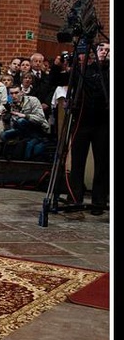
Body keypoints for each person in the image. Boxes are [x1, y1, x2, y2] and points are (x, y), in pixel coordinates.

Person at [66, 42, 109, 217]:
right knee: (77, 162)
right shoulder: (84, 70)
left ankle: (98, 202)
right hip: (82, 122)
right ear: (94, 51)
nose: (104, 52)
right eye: (101, 49)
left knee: (103, 163)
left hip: (103, 123)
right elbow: (68, 79)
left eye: (108, 50)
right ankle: (75, 200)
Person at [0, 84, 50, 161]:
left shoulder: (32, 100)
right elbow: (12, 125)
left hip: (36, 129)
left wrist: (25, 116)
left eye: (16, 93)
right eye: (11, 93)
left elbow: (40, 119)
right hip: (21, 131)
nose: (14, 95)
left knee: (21, 121)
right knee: (3, 135)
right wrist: (5, 118)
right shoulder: (11, 105)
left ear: (22, 93)